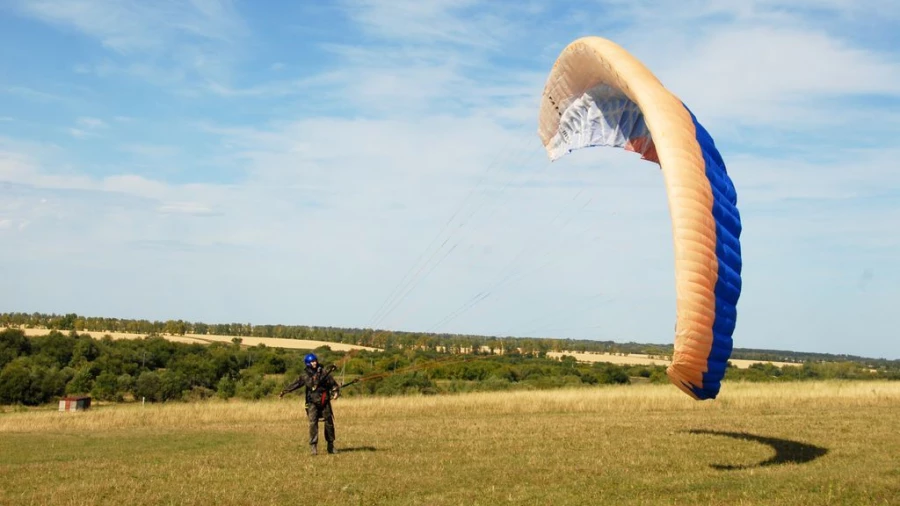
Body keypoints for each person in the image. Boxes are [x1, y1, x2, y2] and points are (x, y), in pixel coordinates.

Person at [279, 352, 341, 455]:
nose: (314, 363)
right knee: (313, 424)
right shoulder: (305, 375)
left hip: (325, 401)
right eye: (312, 362)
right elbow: (296, 384)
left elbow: (333, 384)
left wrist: (336, 392)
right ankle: (313, 447)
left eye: (315, 361)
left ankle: (331, 446)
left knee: (329, 423)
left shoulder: (324, 372)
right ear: (308, 363)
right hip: (312, 402)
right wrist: (285, 391)